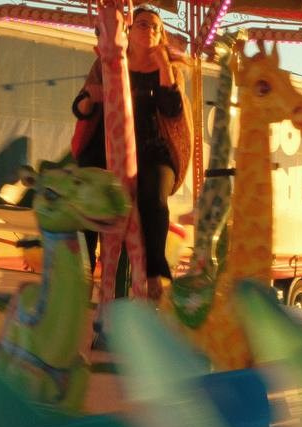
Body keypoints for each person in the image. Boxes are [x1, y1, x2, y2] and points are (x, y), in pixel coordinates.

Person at [71, 6, 192, 300]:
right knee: (85, 187)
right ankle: (82, 268)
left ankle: (154, 271)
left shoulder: (171, 67)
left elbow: (172, 109)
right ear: (128, 31)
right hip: (107, 143)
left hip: (152, 146)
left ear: (161, 35)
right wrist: (90, 98)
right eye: (141, 23)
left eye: (155, 26)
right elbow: (80, 105)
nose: (148, 29)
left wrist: (163, 64)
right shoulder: (105, 63)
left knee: (154, 196)